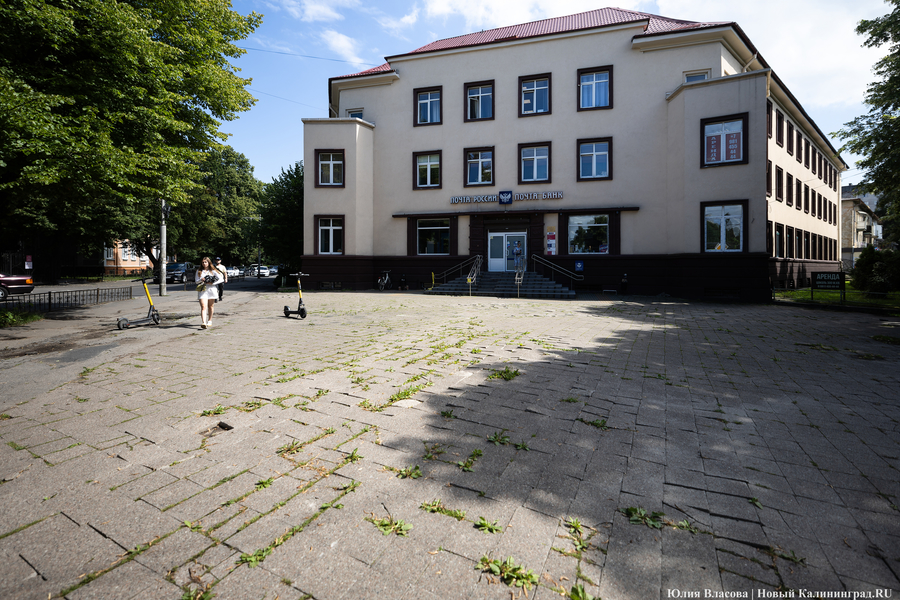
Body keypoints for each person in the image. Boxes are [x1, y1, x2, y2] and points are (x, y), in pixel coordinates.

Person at [195, 256, 223, 329]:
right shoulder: (199, 271)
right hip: (203, 290)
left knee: (210, 306)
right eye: (203, 262)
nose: (204, 264)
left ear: (208, 262)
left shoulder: (213, 270)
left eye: (205, 262)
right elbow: (196, 281)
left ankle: (209, 320)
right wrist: (201, 280)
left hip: (211, 290)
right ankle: (204, 322)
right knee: (203, 306)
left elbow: (221, 279)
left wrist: (213, 283)